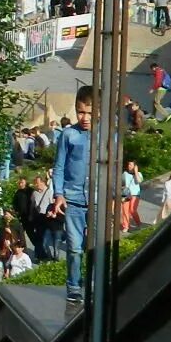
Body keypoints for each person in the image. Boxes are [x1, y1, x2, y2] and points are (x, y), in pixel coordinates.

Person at [49, 87, 94, 300]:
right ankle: (74, 287)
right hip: (74, 200)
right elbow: (59, 166)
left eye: (90, 112)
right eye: (81, 112)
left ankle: (94, 284)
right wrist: (59, 194)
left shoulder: (106, 135)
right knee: (75, 249)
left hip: (96, 200)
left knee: (95, 248)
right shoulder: (69, 135)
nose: (84, 118)